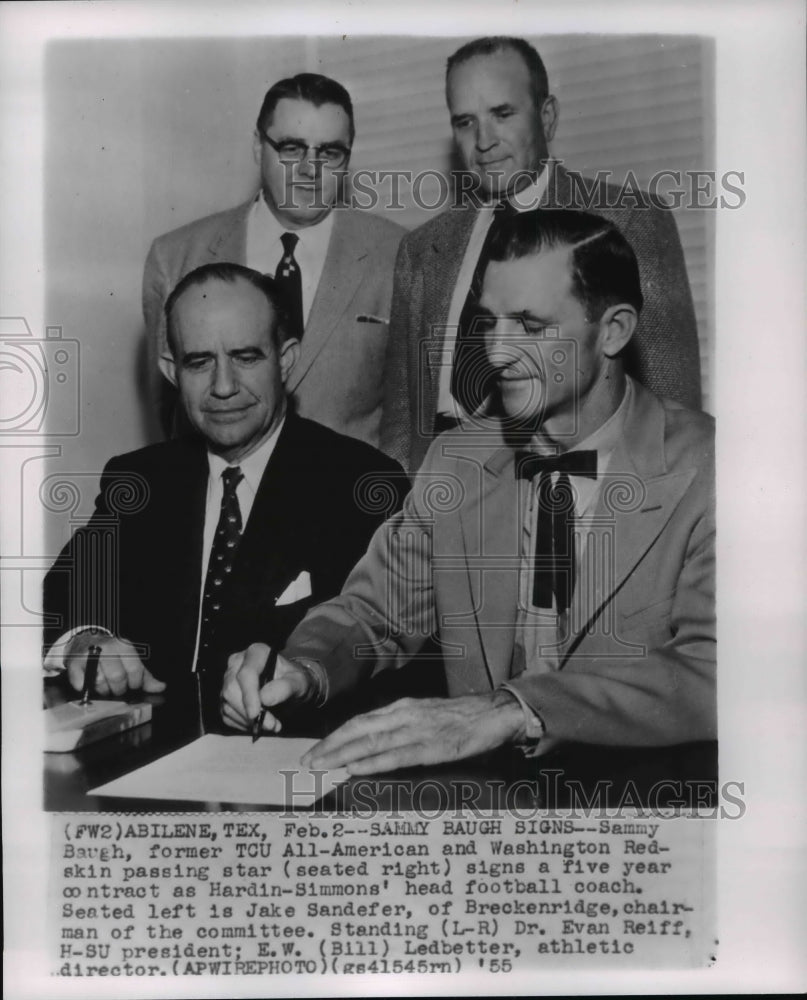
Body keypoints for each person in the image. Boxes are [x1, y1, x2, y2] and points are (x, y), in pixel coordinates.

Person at [221, 210, 715, 776]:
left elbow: (716, 672)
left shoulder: (714, 471)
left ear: (614, 330)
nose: (497, 354)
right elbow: (373, 613)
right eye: (489, 322)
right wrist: (303, 669)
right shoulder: (457, 461)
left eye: (530, 325)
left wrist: (516, 711)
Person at [44, 264, 407, 730]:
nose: (223, 386)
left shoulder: (361, 483)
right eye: (199, 362)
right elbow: (60, 596)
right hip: (153, 766)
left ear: (287, 358)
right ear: (171, 371)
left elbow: (382, 649)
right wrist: (86, 639)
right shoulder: (141, 479)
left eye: (246, 357)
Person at [381, 35, 702, 472]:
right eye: (465, 122)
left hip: (567, 490)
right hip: (443, 495)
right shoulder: (422, 249)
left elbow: (671, 406)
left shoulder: (629, 221)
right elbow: (402, 423)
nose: (484, 141)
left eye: (503, 114)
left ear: (546, 117)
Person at [143, 73, 405, 448]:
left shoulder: (397, 253)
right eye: (291, 148)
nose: (309, 169)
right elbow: (170, 414)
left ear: (348, 158)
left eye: (329, 152)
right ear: (257, 146)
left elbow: (408, 416)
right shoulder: (175, 258)